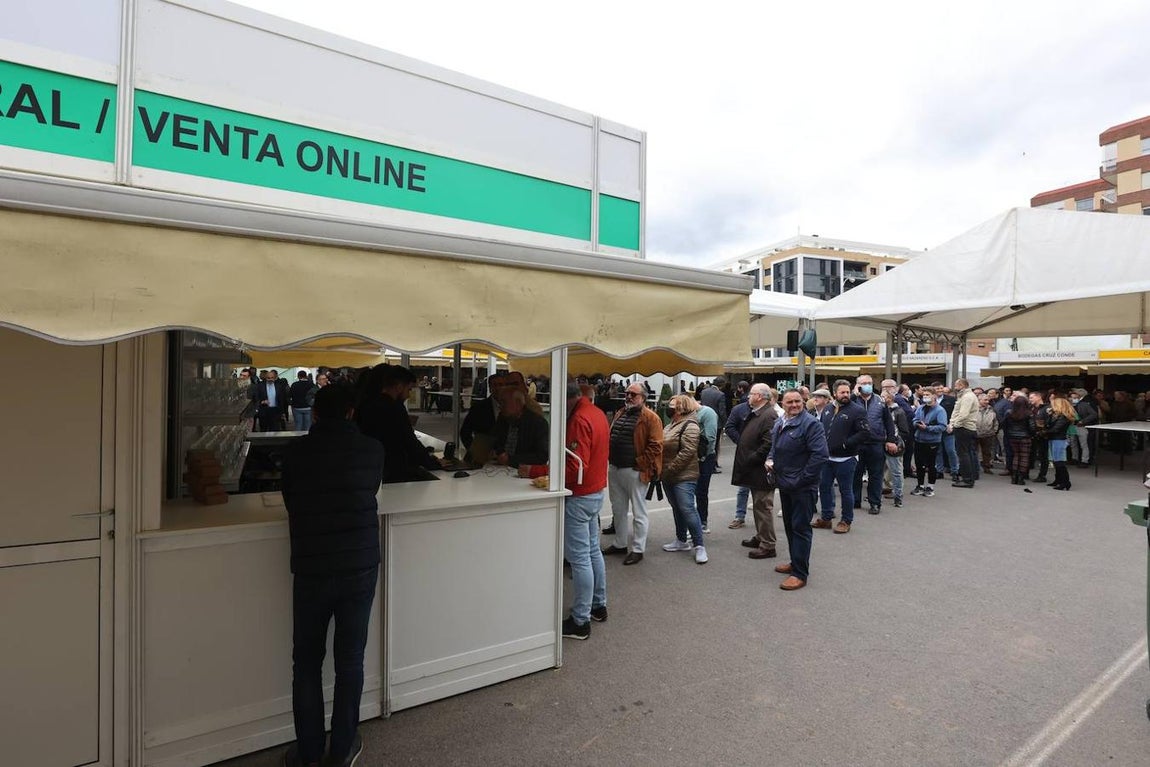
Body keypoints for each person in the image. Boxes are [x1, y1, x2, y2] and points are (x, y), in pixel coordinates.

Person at [281, 384, 385, 767]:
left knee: (307, 662)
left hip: (312, 565)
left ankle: (308, 751)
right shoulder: (373, 449)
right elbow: (370, 490)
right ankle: (342, 748)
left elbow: (290, 500)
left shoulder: (296, 452)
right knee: (350, 659)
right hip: (360, 563)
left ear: (315, 413)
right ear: (351, 412)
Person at [561, 380, 610, 640]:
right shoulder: (596, 412)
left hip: (580, 495)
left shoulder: (578, 418)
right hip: (595, 491)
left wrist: (540, 472)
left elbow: (575, 467)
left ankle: (580, 620)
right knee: (592, 551)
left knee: (580, 558)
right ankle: (598, 606)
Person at [769, 389, 829, 591]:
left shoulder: (811, 424)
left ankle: (800, 574)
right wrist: (770, 459)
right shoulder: (780, 421)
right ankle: (795, 561)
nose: (794, 405)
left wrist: (801, 479)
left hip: (802, 487)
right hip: (785, 483)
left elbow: (820, 455)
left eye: (797, 401)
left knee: (801, 528)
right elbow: (774, 447)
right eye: (790, 402)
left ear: (803, 402)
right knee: (789, 526)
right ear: (782, 404)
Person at [603, 382, 664, 565]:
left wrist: (640, 463)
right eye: (627, 393)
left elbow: (656, 445)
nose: (629, 397)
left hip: (634, 471)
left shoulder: (651, 418)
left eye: (633, 394)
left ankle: (638, 549)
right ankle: (620, 543)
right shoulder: (621, 412)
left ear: (643, 398)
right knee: (618, 509)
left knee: (639, 511)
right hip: (615, 468)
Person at [356, 364, 445, 483]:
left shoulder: (365, 404)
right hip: (393, 472)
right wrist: (433, 463)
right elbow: (409, 441)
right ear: (399, 386)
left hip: (370, 469)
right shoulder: (394, 407)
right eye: (409, 389)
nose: (408, 395)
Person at [731, 384, 779, 559]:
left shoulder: (768, 415)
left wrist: (752, 457)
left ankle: (768, 545)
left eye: (751, 394)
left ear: (759, 396)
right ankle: (761, 537)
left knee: (763, 506)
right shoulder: (758, 413)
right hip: (754, 469)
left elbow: (769, 443)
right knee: (759, 506)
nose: (748, 397)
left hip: (761, 470)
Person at [659, 395, 709, 564]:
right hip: (668, 474)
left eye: (672, 405)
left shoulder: (690, 425)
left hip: (683, 476)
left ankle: (699, 546)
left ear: (681, 408)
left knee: (687, 509)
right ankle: (681, 540)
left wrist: (670, 470)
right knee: (677, 508)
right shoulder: (671, 425)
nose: (669, 407)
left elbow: (687, 452)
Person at [813, 381, 868, 533]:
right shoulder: (827, 409)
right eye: (842, 392)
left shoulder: (857, 410)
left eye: (847, 392)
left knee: (846, 491)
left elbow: (864, 433)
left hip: (846, 459)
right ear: (834, 393)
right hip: (827, 458)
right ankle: (826, 518)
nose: (845, 395)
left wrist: (846, 444)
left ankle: (846, 521)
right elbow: (822, 429)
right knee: (824, 487)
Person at [851, 375, 898, 515]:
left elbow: (888, 422)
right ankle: (855, 500)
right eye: (864, 383)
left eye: (869, 383)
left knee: (876, 475)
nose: (867, 385)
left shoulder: (880, 401)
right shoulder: (852, 401)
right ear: (858, 385)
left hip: (876, 443)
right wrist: (854, 395)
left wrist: (891, 440)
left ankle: (875, 503)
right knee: (856, 473)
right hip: (857, 443)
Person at [491, 389, 549, 468]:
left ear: (518, 404)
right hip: (498, 468)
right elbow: (495, 440)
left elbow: (542, 456)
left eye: (504, 402)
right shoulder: (503, 419)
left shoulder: (538, 423)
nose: (500, 406)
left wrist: (511, 459)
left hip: (523, 470)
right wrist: (498, 452)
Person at [724, 387, 754, 529]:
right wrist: (741, 441)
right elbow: (729, 427)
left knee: (762, 491)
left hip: (763, 452)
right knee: (743, 487)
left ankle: (762, 519)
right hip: (745, 453)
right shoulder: (739, 409)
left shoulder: (767, 410)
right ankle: (739, 516)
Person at [910, 390, 948, 497]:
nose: (925, 396)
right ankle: (920, 485)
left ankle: (930, 486)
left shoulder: (940, 410)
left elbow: (942, 426)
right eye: (924, 395)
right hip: (919, 439)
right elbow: (914, 419)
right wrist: (916, 423)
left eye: (928, 395)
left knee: (931, 464)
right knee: (919, 464)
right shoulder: (921, 408)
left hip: (932, 441)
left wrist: (927, 427)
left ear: (934, 396)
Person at [694, 401, 719, 533]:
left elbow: (710, 437)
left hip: (704, 457)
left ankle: (702, 522)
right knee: (689, 491)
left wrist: (702, 455)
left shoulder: (707, 413)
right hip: (692, 457)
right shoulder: (689, 413)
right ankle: (694, 522)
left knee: (701, 491)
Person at [882, 390, 909, 507]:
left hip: (893, 444)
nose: (882, 399)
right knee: (879, 471)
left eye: (884, 396)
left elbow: (904, 430)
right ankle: (877, 493)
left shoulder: (898, 411)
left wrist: (895, 442)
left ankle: (898, 496)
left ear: (890, 398)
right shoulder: (880, 410)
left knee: (896, 471)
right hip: (880, 443)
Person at [1003, 395, 1035, 485]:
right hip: (1025, 437)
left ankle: (1014, 477)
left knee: (1016, 456)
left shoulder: (1009, 412)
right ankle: (1021, 477)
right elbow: (1032, 427)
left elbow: (1004, 424)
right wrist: (1032, 435)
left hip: (1012, 437)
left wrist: (1008, 434)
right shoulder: (1028, 414)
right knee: (1024, 457)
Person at [1046, 394, 1075, 490]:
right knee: (1056, 461)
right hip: (1054, 438)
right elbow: (1049, 425)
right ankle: (1058, 480)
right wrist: (1049, 415)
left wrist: (1045, 432)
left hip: (1059, 439)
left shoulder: (1064, 417)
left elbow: (1056, 429)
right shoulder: (1056, 416)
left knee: (1059, 461)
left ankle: (1065, 482)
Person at [1069, 388, 1098, 466]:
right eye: (1072, 397)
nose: (1073, 399)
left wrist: (1083, 421)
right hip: (1071, 426)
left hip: (1081, 426)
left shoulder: (1084, 404)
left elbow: (1094, 414)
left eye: (1075, 397)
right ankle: (1074, 458)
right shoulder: (1069, 405)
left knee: (1084, 444)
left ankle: (1084, 461)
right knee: (1073, 444)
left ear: (1079, 397)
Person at [1029, 391, 1052, 482]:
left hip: (1042, 435)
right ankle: (1026, 472)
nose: (1030, 399)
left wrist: (1044, 431)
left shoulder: (1047, 408)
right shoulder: (1031, 408)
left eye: (1032, 397)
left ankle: (1042, 475)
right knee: (1031, 454)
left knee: (1043, 456)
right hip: (1032, 434)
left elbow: (1049, 421)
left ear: (1038, 397)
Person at [975, 394, 999, 473]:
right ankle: (975, 467)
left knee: (987, 452)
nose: (987, 402)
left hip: (988, 434)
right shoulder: (974, 409)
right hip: (975, 433)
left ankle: (987, 467)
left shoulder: (991, 410)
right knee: (974, 451)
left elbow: (995, 422)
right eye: (985, 400)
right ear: (979, 400)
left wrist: (994, 431)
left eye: (988, 400)